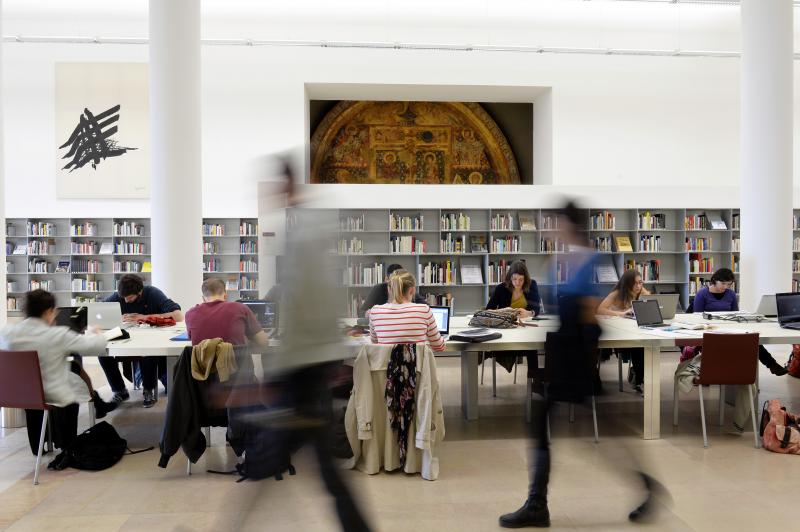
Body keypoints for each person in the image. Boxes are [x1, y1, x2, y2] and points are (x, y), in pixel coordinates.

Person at [500, 202, 664, 528]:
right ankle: (645, 487)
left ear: (565, 223)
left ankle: (538, 505)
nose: (546, 229)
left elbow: (590, 313)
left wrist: (582, 362)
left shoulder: (587, 259)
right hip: (566, 350)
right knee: (582, 429)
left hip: (574, 353)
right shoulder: (566, 257)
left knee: (573, 429)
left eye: (550, 222)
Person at [0, 290, 116, 463]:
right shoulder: (57, 334)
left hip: (15, 394)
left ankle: (40, 446)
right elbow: (94, 347)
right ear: (48, 311)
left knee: (71, 371)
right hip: (49, 394)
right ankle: (68, 445)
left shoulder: (6, 332)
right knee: (74, 384)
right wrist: (95, 332)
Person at [99, 274, 183, 408]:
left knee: (147, 350)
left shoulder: (153, 293)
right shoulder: (119, 296)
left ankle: (148, 389)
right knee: (102, 352)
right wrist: (116, 317)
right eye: (123, 298)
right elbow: (100, 312)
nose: (126, 301)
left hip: (149, 338)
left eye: (130, 297)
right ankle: (120, 390)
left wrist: (144, 317)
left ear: (140, 292)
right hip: (125, 338)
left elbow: (178, 315)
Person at [689, 267, 786, 376]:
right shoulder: (702, 294)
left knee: (752, 339)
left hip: (728, 329)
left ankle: (772, 365)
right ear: (714, 280)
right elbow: (697, 317)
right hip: (709, 331)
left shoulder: (730, 294)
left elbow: (735, 314)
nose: (726, 287)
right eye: (723, 283)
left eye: (729, 284)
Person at [596, 269, 649, 393]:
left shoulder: (642, 292)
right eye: (635, 283)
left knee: (643, 345)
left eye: (640, 282)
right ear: (627, 284)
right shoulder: (617, 293)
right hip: (618, 335)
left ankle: (640, 378)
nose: (638, 286)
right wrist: (621, 313)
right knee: (639, 347)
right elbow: (600, 309)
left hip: (635, 332)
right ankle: (639, 379)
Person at [368, 269, 446, 352]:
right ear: (412, 290)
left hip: (387, 364)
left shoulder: (375, 312)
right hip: (417, 365)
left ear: (389, 290)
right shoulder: (424, 310)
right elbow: (439, 347)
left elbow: (375, 343)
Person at [485, 260, 541, 373]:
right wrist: (503, 310)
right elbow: (488, 310)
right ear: (510, 278)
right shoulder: (501, 288)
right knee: (530, 346)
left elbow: (537, 309)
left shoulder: (532, 285)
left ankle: (535, 381)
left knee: (532, 346)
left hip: (525, 329)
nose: (517, 283)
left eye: (521, 279)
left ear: (526, 279)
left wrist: (529, 313)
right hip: (506, 330)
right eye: (514, 279)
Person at [185, 278, 269, 348]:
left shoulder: (190, 314)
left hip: (204, 367)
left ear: (203, 299)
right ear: (225, 296)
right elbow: (264, 342)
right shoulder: (240, 308)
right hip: (238, 367)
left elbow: (192, 339)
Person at [358, 263, 426, 317]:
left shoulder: (407, 289)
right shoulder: (378, 289)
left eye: (399, 282)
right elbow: (361, 312)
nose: (396, 286)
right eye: (393, 282)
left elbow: (426, 307)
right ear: (386, 279)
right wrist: (367, 313)